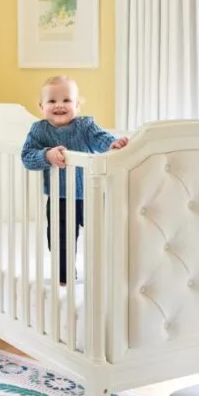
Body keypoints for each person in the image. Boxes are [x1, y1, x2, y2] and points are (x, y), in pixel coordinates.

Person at [21, 75, 128, 284]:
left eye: (66, 100)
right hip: (60, 198)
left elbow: (101, 138)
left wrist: (113, 144)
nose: (59, 105)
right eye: (52, 101)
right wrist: (47, 155)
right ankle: (65, 274)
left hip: (92, 193)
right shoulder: (39, 130)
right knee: (60, 239)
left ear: (77, 105)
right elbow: (27, 157)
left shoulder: (85, 126)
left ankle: (107, 270)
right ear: (41, 106)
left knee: (102, 234)